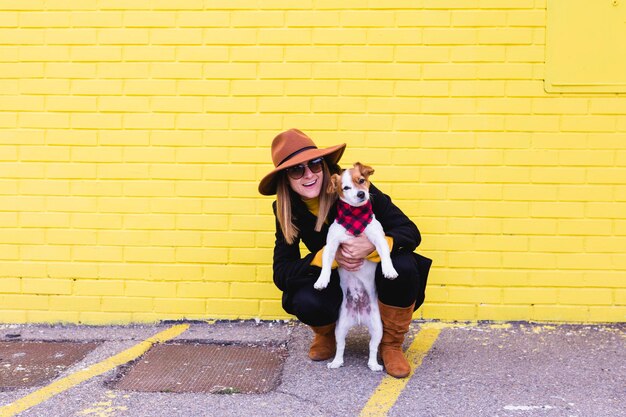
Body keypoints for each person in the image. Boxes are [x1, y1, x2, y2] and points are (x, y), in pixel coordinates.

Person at [258, 128, 431, 378]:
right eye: (297, 170)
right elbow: (282, 272)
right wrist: (327, 257)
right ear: (286, 178)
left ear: (324, 165)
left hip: (374, 278)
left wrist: (373, 245)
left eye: (315, 164)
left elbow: (409, 231)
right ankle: (326, 334)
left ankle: (391, 344)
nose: (308, 174)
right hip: (340, 281)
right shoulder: (286, 210)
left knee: (403, 265)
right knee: (305, 296)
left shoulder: (352, 186)